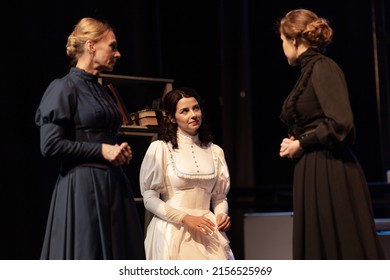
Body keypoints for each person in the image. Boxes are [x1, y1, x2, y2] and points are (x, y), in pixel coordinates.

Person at [277, 9, 385, 259]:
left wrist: (302, 143)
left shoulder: (323, 67)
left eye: (282, 40)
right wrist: (296, 141)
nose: (282, 47)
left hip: (329, 169)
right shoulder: (308, 71)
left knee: (341, 248)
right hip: (312, 169)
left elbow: (341, 122)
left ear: (293, 40)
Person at [35, 17, 145, 260]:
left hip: (114, 186)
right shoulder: (63, 87)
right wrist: (101, 151)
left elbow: (105, 138)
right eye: (112, 46)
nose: (118, 54)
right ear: (91, 45)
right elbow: (50, 145)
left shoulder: (102, 90)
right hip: (82, 188)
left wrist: (118, 151)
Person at [139, 87, 235, 259]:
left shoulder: (215, 151)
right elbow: (149, 197)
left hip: (208, 230)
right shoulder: (160, 148)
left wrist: (221, 214)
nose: (193, 114)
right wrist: (184, 217)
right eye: (185, 111)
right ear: (171, 117)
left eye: (196, 108)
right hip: (173, 229)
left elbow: (219, 197)